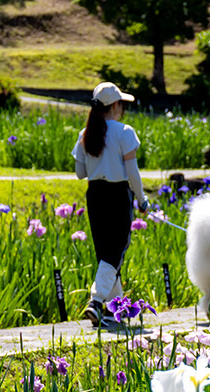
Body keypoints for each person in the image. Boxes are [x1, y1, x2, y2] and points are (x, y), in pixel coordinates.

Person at [73, 81, 150, 325]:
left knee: (106, 252)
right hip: (117, 195)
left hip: (95, 194)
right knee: (115, 251)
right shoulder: (124, 132)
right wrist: (142, 199)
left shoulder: (86, 133)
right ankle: (95, 301)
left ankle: (115, 308)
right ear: (116, 105)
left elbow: (80, 173)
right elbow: (133, 173)